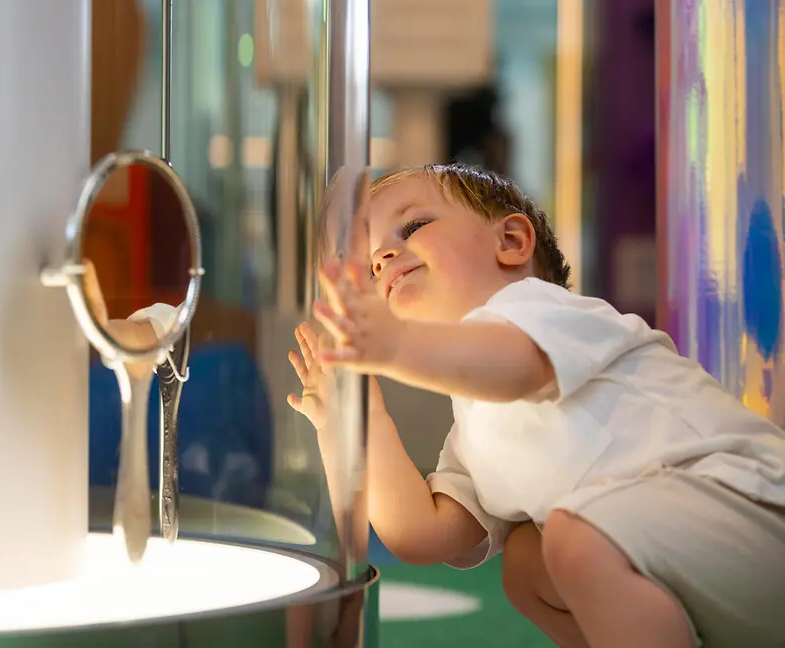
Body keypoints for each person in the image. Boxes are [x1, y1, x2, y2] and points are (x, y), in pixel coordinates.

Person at [287, 163, 785, 648]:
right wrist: (350, 421)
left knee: (573, 536)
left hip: (751, 507)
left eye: (412, 226)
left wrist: (395, 348)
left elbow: (515, 365)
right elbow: (422, 532)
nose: (382, 259)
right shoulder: (477, 428)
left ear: (511, 243)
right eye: (371, 259)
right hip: (701, 563)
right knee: (528, 561)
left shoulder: (544, 310)